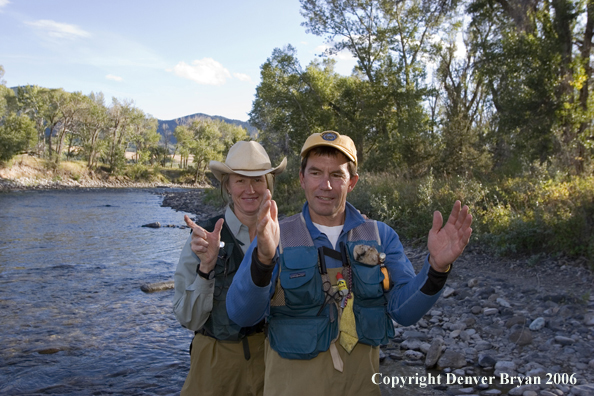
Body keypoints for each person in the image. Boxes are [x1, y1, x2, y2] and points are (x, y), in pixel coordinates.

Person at [226, 131, 473, 396]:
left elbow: (404, 311)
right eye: (316, 173)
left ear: (352, 182)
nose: (326, 185)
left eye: (337, 175)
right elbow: (242, 315)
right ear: (302, 178)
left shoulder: (380, 236)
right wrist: (263, 260)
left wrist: (436, 268)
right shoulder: (274, 235)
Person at [173, 140, 286, 396]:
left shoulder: (285, 233)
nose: (250, 189)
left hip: (272, 360)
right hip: (215, 365)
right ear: (227, 186)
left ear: (268, 184)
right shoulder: (203, 238)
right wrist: (207, 267)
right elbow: (188, 319)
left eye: (258, 180)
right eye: (240, 180)